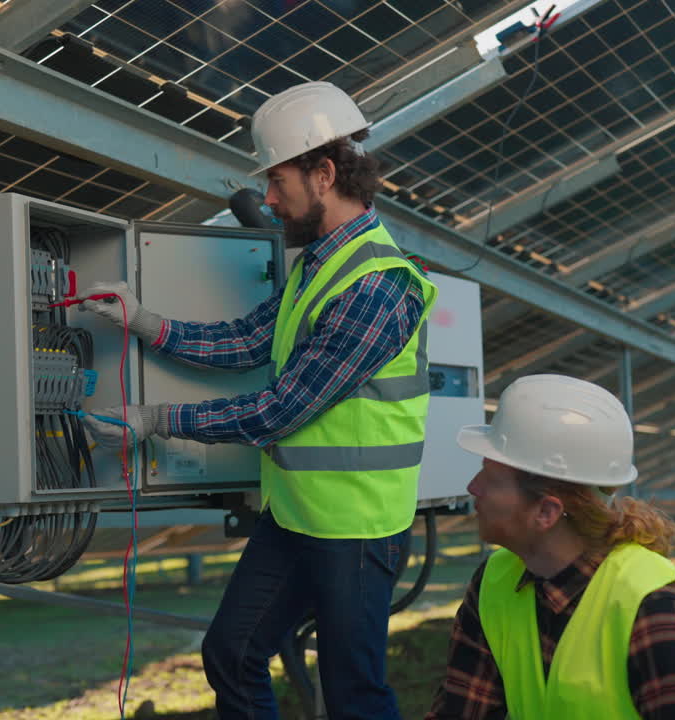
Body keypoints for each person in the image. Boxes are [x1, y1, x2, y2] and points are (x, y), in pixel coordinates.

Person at [79, 80, 438, 720]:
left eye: (278, 182)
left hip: (355, 528)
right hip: (298, 515)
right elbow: (249, 340)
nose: (267, 200)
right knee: (232, 654)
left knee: (354, 693)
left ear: (324, 174)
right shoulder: (317, 264)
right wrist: (144, 322)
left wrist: (155, 420)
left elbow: (281, 408)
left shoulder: (377, 285)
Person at [426, 374, 675, 720]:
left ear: (546, 511)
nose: (474, 487)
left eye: (491, 477)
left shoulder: (651, 608)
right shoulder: (494, 582)